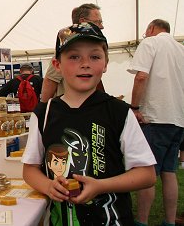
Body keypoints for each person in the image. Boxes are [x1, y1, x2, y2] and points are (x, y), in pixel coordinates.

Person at [22, 22, 156, 225]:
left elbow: (146, 174)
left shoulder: (119, 112)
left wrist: (101, 186)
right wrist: (48, 186)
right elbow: (30, 169)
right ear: (57, 65)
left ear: (105, 63)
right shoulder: (44, 114)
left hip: (113, 220)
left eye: (94, 57)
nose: (85, 64)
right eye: (74, 57)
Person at [127, 19, 184, 226]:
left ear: (151, 29)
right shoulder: (181, 49)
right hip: (178, 118)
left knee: (147, 171)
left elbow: (141, 77)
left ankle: (141, 222)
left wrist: (134, 107)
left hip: (156, 117)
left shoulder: (150, 43)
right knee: (169, 172)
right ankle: (169, 222)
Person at [40, 3, 105, 104]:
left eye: (95, 57)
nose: (102, 26)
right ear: (83, 21)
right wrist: (44, 109)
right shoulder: (66, 49)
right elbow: (50, 80)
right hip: (68, 109)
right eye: (98, 22)